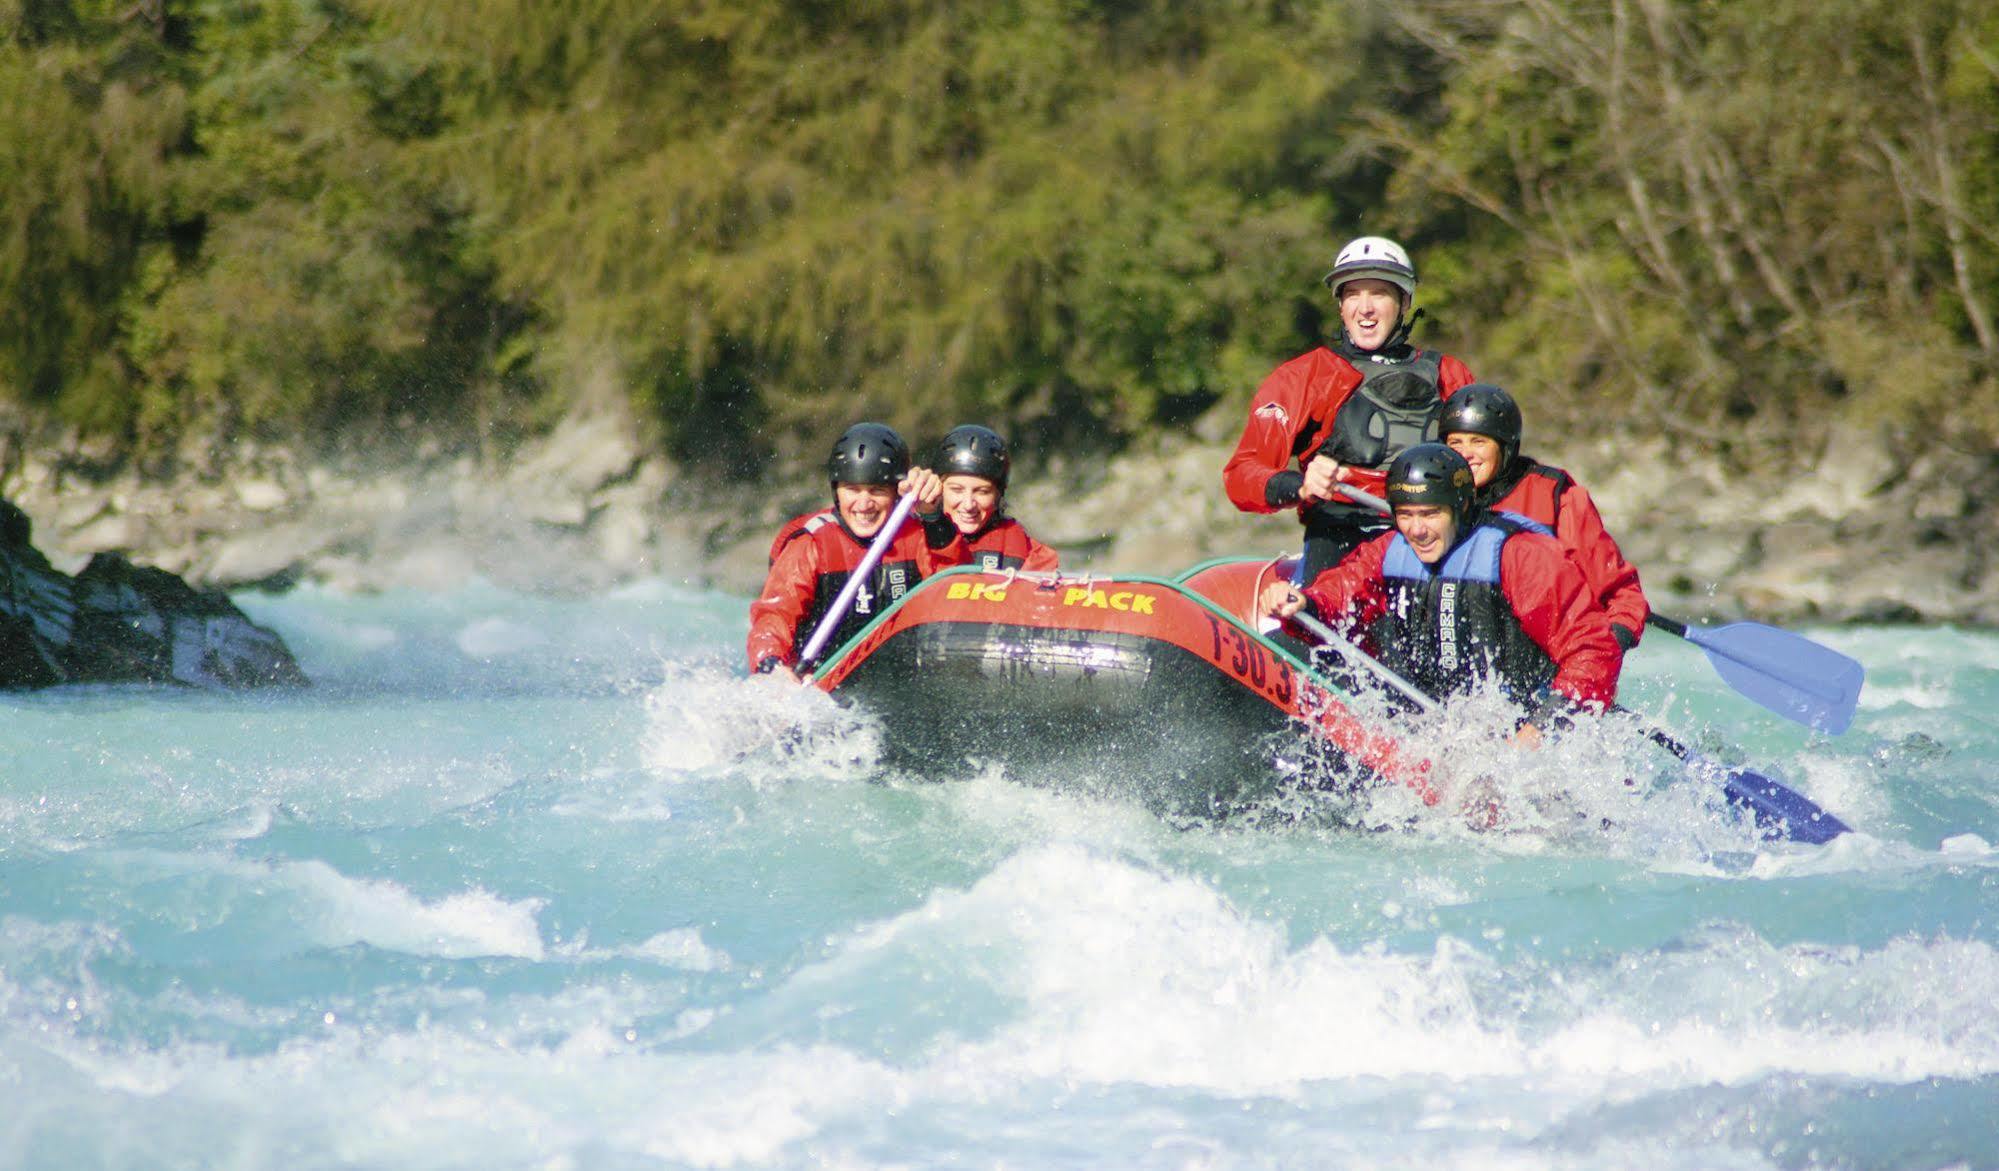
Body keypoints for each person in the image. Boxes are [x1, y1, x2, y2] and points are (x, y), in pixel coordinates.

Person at [1259, 443, 1620, 746]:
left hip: (1524, 731)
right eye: (1406, 515)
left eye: (1430, 514)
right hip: (1436, 730)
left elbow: (1592, 649)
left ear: (1461, 507)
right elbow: (1342, 593)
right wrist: (1305, 603)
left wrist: (1538, 731)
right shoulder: (1389, 550)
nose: (1417, 530)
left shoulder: (1520, 556)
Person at [1224, 236, 1479, 580]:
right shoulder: (1306, 376)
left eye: (1379, 293)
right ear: (1340, 306)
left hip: (1429, 541)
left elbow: (1486, 469)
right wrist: (1299, 485)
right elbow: (1242, 474)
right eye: (1353, 294)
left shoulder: (1450, 375)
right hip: (1340, 541)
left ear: (1404, 302)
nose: (1365, 307)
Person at [1438, 383, 1649, 654]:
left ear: (1505, 446)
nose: (1465, 453)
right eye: (1455, 442)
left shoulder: (1558, 499)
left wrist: (1602, 652)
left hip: (1543, 660)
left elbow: (1622, 596)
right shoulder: (1430, 505)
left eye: (1478, 441)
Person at [748, 423, 966, 682]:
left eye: (877, 490)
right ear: (836, 492)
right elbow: (774, 616)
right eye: (852, 490)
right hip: (822, 686)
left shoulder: (919, 535)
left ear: (897, 494)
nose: (864, 504)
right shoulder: (812, 544)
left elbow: (956, 586)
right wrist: (771, 665)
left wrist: (932, 515)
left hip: (901, 686)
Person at [932, 424, 1059, 572]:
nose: (968, 505)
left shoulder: (1026, 549)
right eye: (957, 490)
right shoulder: (917, 539)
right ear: (939, 489)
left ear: (998, 494)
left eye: (982, 492)